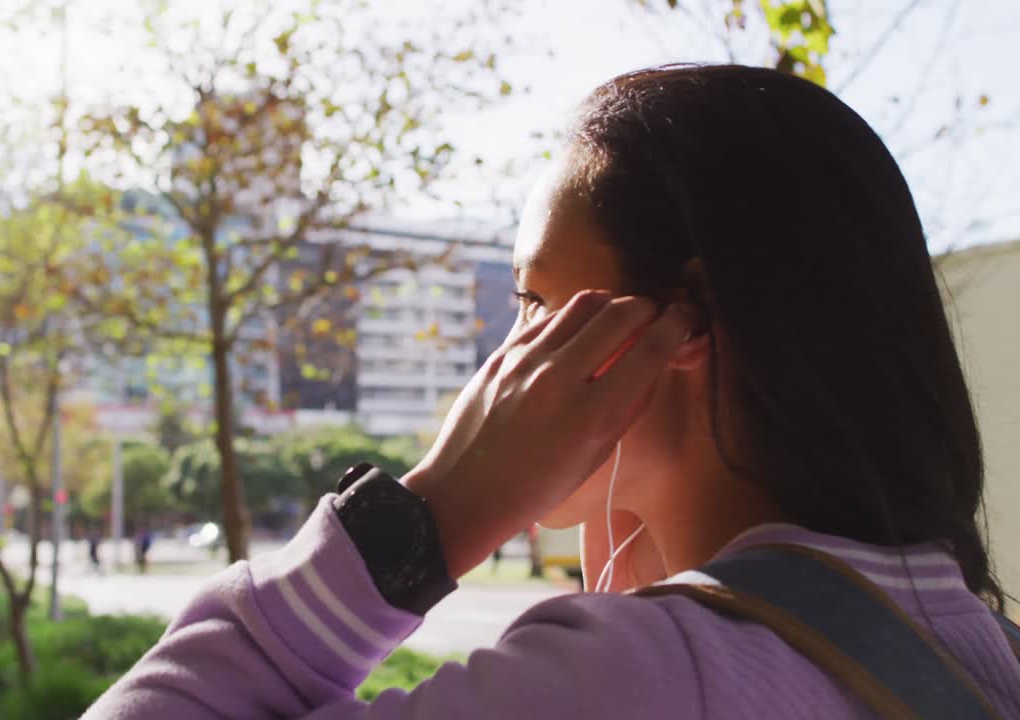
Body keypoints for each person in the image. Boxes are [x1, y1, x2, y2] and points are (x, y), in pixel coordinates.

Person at [80, 65, 1020, 718]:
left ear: (682, 323)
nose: (504, 355)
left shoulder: (634, 678)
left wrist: (427, 518)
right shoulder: (983, 648)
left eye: (532, 300)